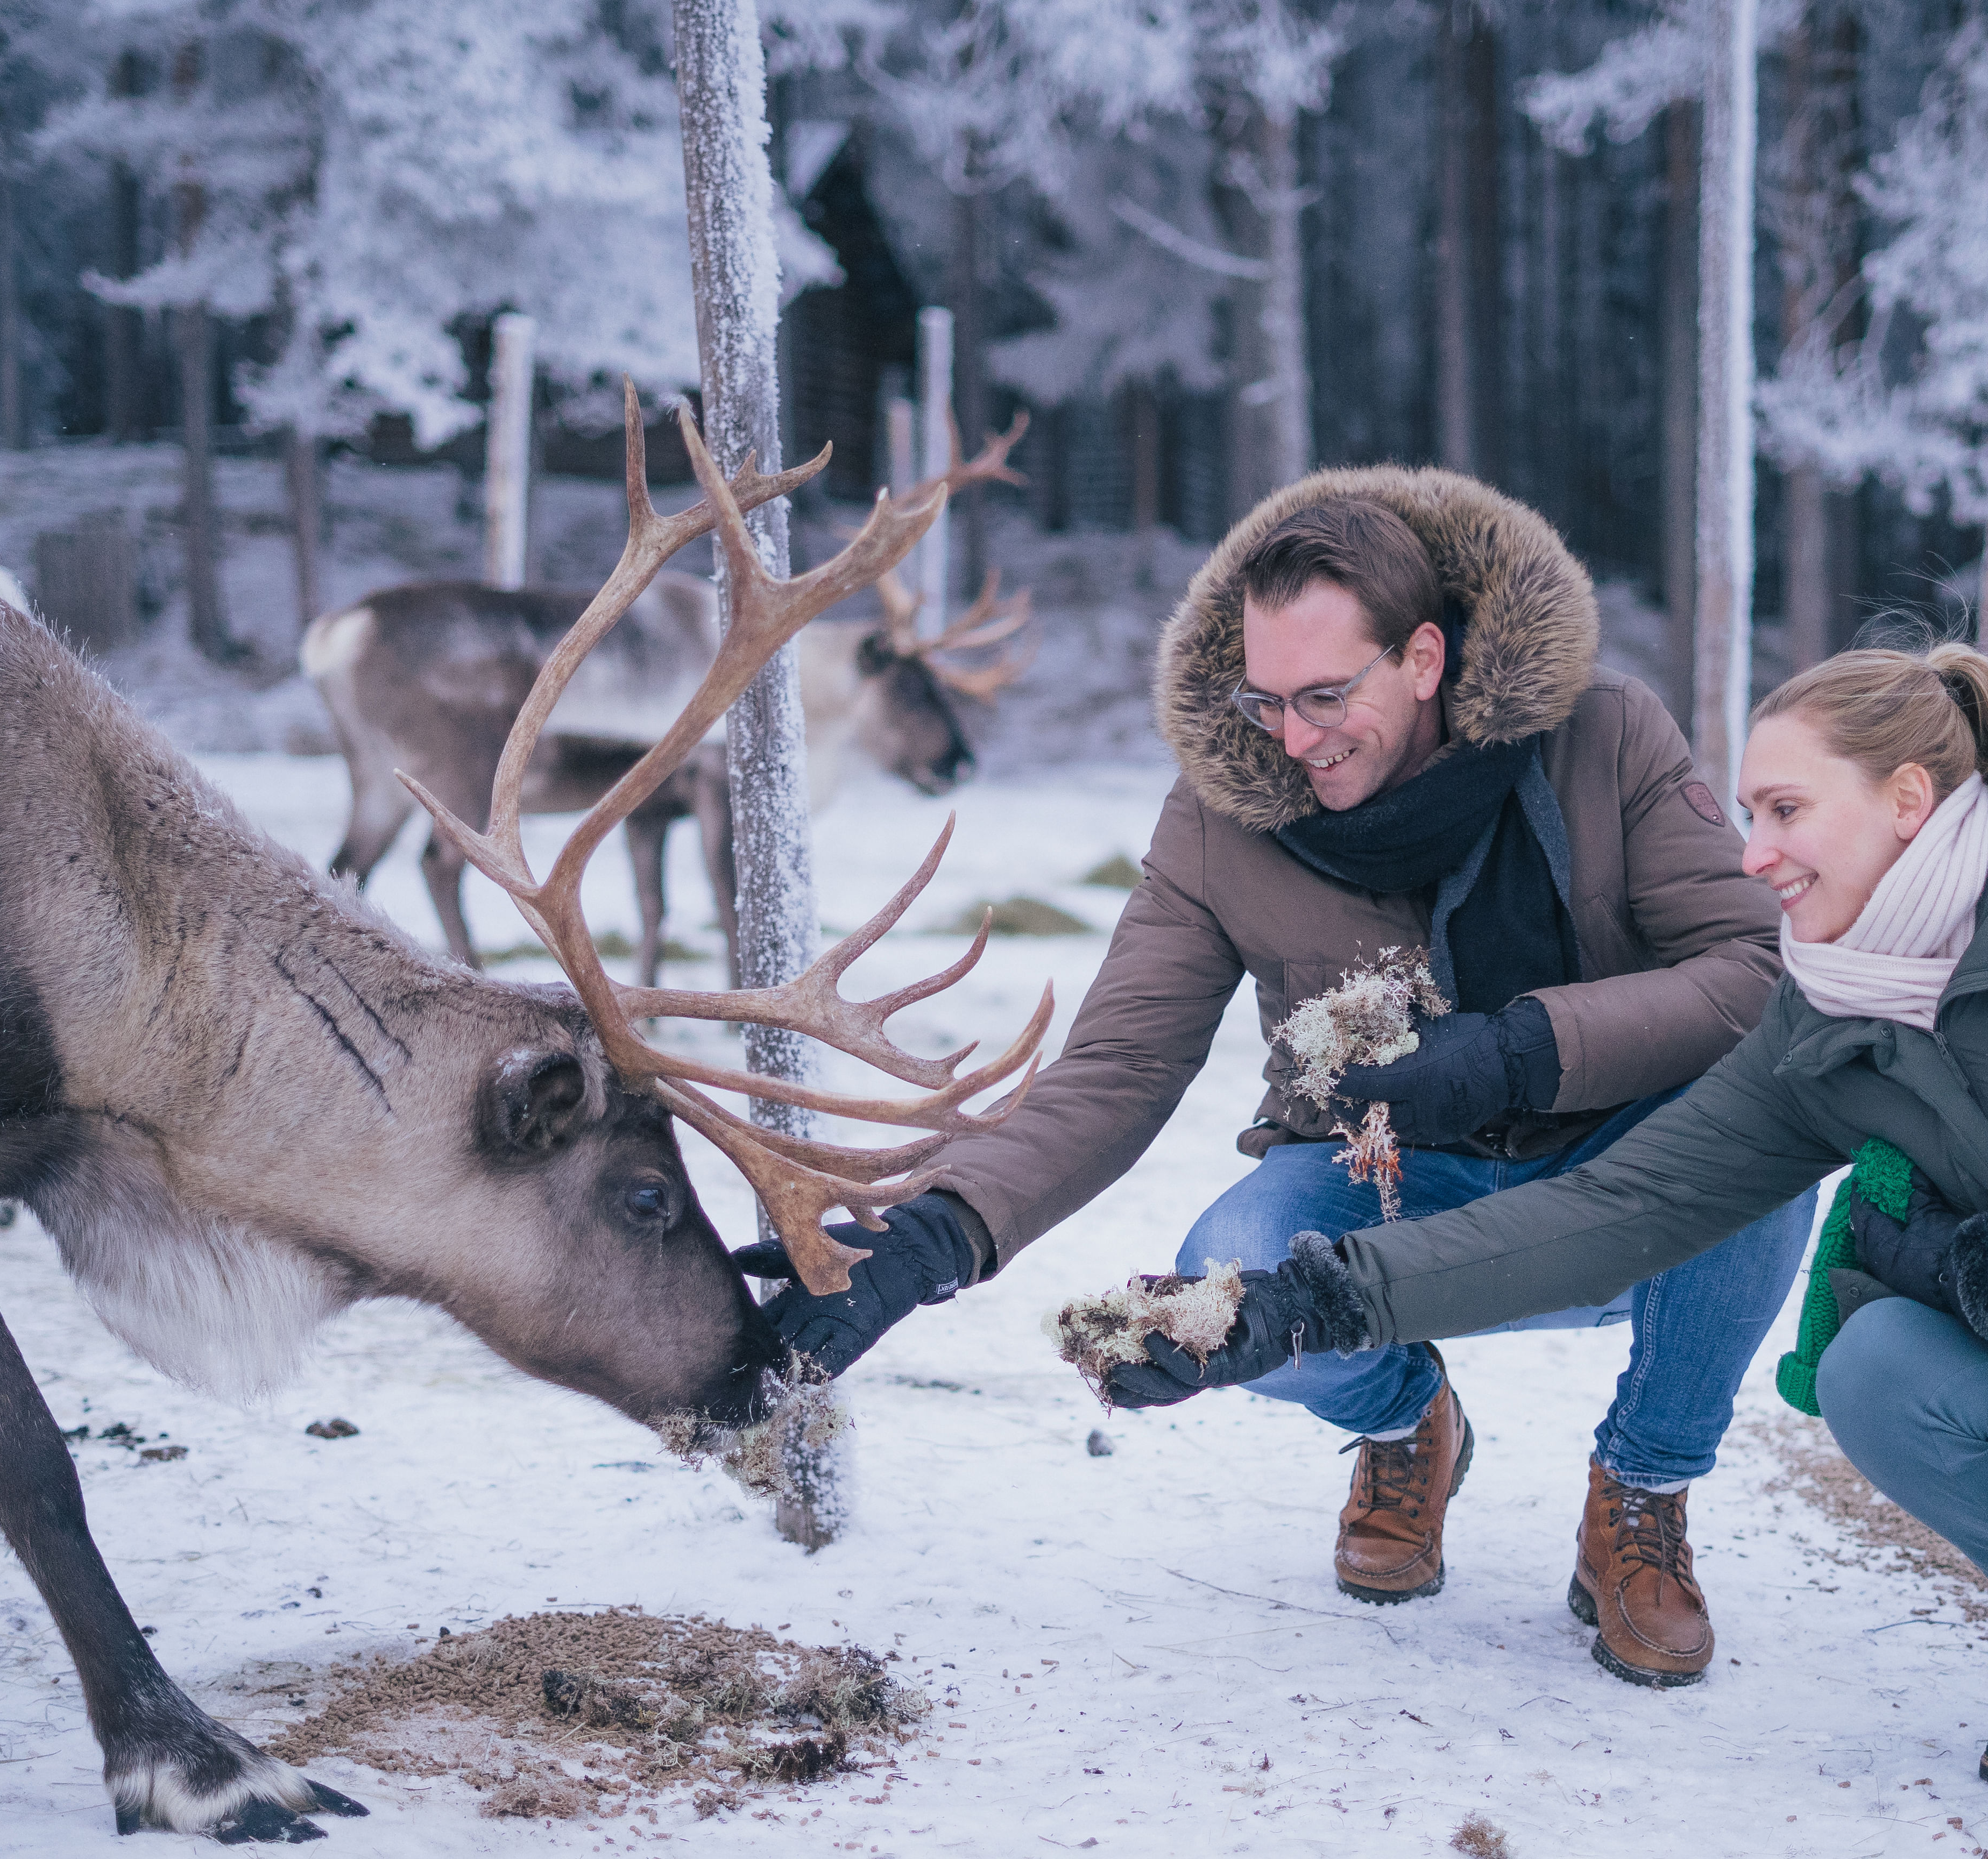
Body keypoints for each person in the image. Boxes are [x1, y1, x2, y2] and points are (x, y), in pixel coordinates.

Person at [1096, 641, 1988, 1801]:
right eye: (1747, 816)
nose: (1756, 856)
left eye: (1785, 813)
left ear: (1907, 803)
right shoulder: (1830, 1009)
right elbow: (1621, 1209)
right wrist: (1308, 1299)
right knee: (1876, 1377)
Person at [737, 471, 1816, 1687]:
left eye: (1325, 697)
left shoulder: (1604, 734)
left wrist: (1525, 1046)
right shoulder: (1219, 818)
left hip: (1622, 1184)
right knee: (1224, 1281)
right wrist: (941, 1232)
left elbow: (1755, 974)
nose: (1295, 741)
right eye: (1267, 701)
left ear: (1422, 657)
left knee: (1768, 1135)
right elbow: (1121, 1066)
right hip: (1386, 1192)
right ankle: (1409, 1424)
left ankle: (1645, 1486)